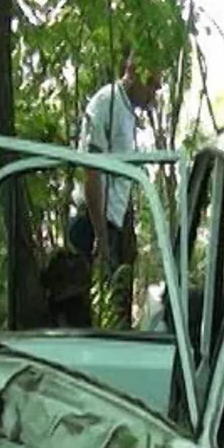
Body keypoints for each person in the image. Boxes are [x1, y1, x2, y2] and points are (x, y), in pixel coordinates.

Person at [68, 50, 162, 277]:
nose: (154, 92)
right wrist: (100, 235)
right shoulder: (107, 102)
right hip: (91, 222)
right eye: (151, 84)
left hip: (110, 224)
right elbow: (91, 170)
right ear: (133, 73)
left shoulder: (128, 113)